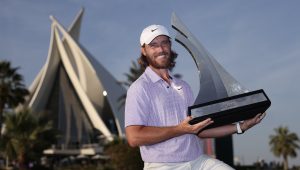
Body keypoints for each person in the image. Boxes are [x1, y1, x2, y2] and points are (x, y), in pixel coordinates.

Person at [124, 24, 266, 170]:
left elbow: (199, 129)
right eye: (153, 45)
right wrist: (180, 129)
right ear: (144, 50)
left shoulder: (184, 86)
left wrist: (241, 126)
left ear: (170, 46)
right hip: (163, 165)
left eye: (164, 43)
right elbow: (134, 137)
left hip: (198, 162)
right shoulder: (139, 88)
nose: (160, 49)